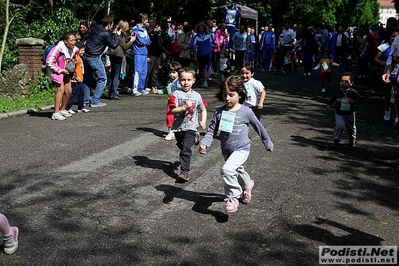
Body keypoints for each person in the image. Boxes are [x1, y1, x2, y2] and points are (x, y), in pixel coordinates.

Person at [199, 75, 274, 214]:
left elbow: (259, 127)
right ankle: (248, 185)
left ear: (240, 94)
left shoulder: (246, 111)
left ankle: (232, 196)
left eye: (231, 95)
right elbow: (211, 130)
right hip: (227, 151)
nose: (227, 98)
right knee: (237, 170)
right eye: (225, 95)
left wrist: (267, 142)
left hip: (242, 149)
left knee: (227, 170)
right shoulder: (219, 112)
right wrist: (205, 143)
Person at [168, 67, 207, 182]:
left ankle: (184, 171)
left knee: (185, 148)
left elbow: (203, 109)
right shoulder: (176, 94)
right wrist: (184, 107)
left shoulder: (197, 96)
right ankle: (195, 137)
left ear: (193, 80)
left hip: (191, 126)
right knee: (181, 145)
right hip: (178, 127)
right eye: (183, 80)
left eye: (189, 80)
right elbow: (172, 110)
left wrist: (203, 121)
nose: (186, 82)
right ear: (179, 81)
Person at [83, 15, 121, 107]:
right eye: (112, 24)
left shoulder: (94, 29)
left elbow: (102, 38)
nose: (112, 26)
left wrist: (112, 34)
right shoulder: (105, 33)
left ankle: (85, 100)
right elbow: (113, 45)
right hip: (94, 57)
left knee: (87, 79)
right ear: (109, 24)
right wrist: (118, 36)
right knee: (103, 78)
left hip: (85, 56)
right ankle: (95, 101)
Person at [46, 32, 79, 120]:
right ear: (65, 41)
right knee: (61, 90)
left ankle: (62, 109)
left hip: (68, 71)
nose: (74, 42)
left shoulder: (74, 49)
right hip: (57, 71)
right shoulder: (58, 49)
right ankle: (55, 113)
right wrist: (60, 70)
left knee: (68, 91)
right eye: (71, 40)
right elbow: (49, 61)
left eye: (74, 40)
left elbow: (74, 58)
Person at [327, 72, 362, 148]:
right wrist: (329, 104)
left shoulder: (353, 92)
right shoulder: (338, 91)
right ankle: (336, 139)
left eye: (346, 82)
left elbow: (359, 100)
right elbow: (333, 98)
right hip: (339, 113)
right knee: (340, 126)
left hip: (349, 113)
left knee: (351, 128)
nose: (343, 83)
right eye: (341, 81)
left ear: (351, 83)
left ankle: (352, 138)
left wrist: (353, 101)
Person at [152, 61, 182, 141]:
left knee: (180, 117)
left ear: (178, 73)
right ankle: (171, 131)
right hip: (170, 102)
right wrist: (157, 91)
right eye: (170, 72)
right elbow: (165, 90)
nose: (172, 74)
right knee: (169, 116)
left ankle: (184, 130)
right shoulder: (168, 82)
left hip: (179, 102)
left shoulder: (180, 82)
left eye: (174, 72)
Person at [374, 29, 399, 121]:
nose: (394, 38)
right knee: (388, 94)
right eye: (393, 36)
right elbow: (376, 59)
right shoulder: (384, 47)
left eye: (396, 36)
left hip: (396, 74)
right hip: (388, 73)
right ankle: (387, 110)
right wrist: (386, 66)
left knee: (396, 95)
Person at [107, 20, 135, 100]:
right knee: (116, 75)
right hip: (117, 56)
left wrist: (128, 38)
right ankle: (114, 93)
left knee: (112, 75)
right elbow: (124, 46)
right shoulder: (118, 35)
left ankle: (110, 92)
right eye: (126, 27)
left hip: (113, 55)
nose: (128, 29)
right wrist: (131, 41)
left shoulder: (116, 33)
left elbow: (121, 43)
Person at [65, 42, 90, 114]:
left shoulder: (79, 58)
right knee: (74, 94)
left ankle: (81, 107)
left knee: (81, 93)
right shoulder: (75, 58)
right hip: (75, 79)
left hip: (80, 78)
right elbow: (73, 68)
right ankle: (67, 107)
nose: (83, 52)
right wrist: (76, 77)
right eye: (82, 50)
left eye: (84, 50)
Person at [131, 13, 151, 96]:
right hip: (138, 53)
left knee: (144, 72)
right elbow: (140, 41)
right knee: (137, 71)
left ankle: (141, 88)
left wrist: (145, 41)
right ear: (143, 20)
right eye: (146, 19)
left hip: (144, 53)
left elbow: (148, 41)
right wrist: (144, 41)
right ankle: (134, 89)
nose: (147, 21)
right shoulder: (135, 29)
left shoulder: (145, 29)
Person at [190, 23, 215, 88]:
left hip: (207, 53)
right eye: (200, 28)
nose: (201, 29)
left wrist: (216, 45)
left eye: (202, 28)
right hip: (200, 54)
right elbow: (192, 44)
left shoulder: (208, 35)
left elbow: (212, 43)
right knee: (201, 67)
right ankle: (204, 80)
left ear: (204, 29)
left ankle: (205, 81)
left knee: (204, 67)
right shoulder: (196, 36)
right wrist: (194, 46)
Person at [146, 18, 167, 90]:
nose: (151, 24)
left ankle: (154, 83)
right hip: (150, 53)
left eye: (152, 22)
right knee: (149, 69)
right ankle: (145, 83)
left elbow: (160, 43)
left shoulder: (157, 33)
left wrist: (163, 52)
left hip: (157, 53)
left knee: (156, 69)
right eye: (150, 22)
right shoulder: (146, 32)